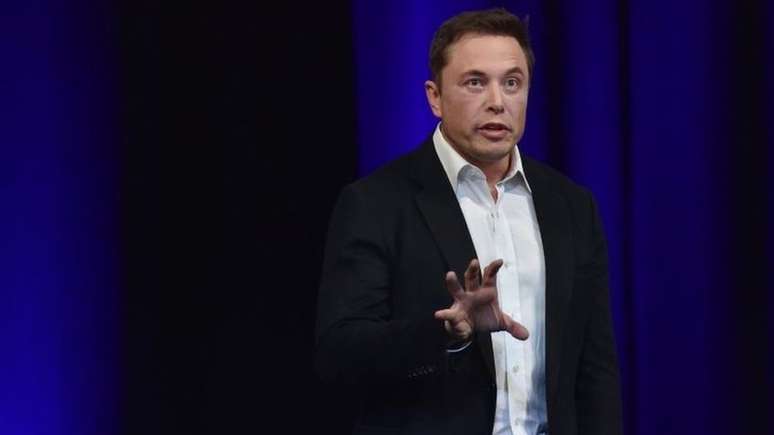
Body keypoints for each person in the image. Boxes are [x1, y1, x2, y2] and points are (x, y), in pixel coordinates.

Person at [315, 8, 622, 435]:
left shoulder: (571, 206)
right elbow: (339, 354)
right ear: (434, 97)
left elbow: (595, 369)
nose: (497, 101)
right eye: (475, 82)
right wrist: (446, 332)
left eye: (512, 83)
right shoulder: (376, 203)